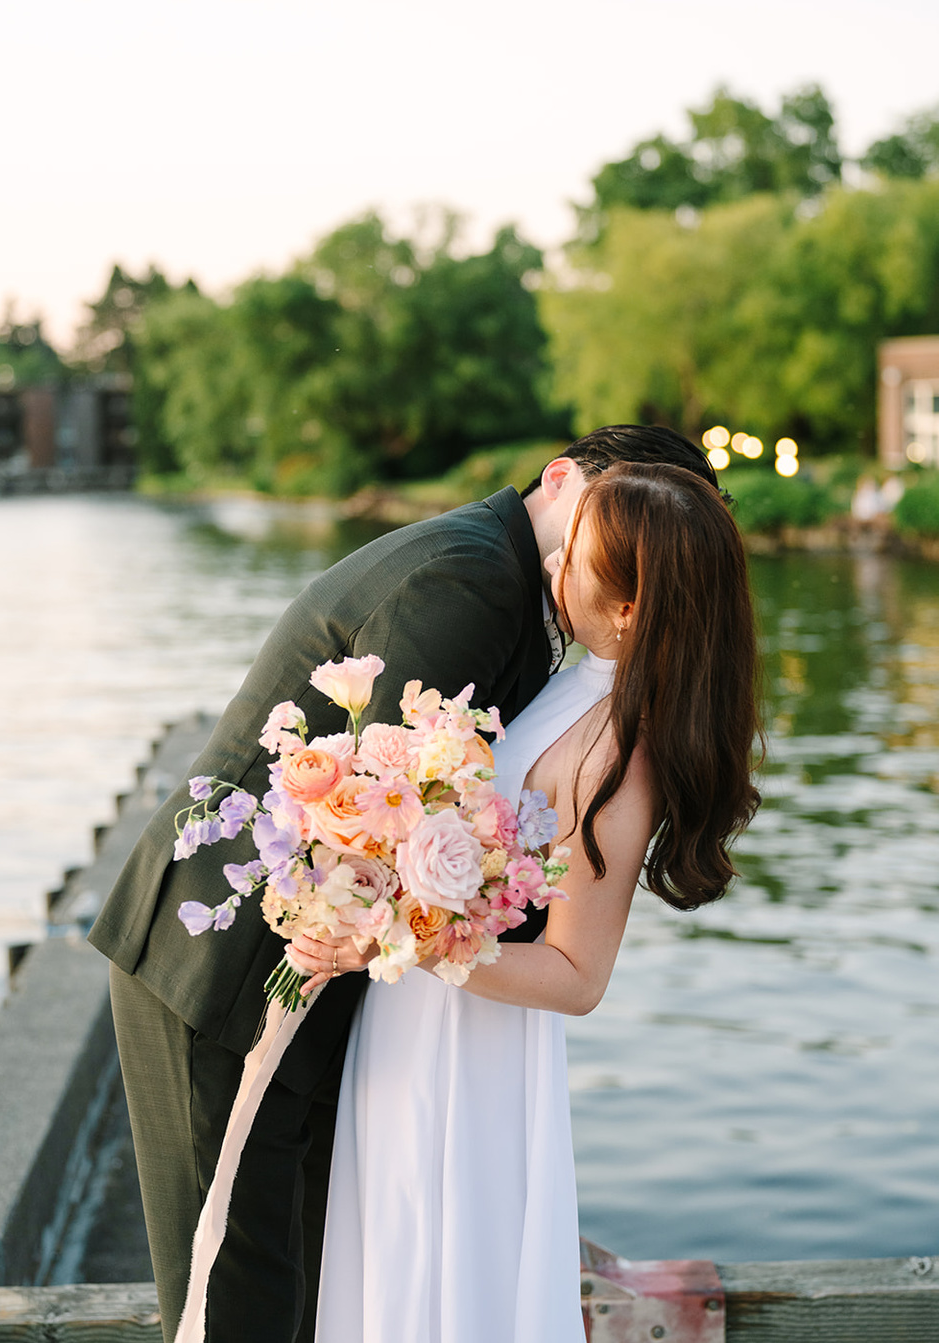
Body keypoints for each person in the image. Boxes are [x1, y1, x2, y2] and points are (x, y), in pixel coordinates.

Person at [87, 426, 720, 1343]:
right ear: (562, 481)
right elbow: (377, 809)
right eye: (614, 516)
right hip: (233, 975)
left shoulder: (517, 594)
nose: (609, 547)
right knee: (235, 1305)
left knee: (304, 1299)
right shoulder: (472, 582)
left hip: (334, 981)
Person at [290, 462, 762, 1342]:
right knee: (388, 1249)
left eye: (573, 562)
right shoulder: (574, 681)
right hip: (425, 1009)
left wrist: (402, 936)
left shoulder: (619, 756)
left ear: (628, 609)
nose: (551, 570)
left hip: (473, 1039)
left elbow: (580, 972)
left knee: (437, 1262)